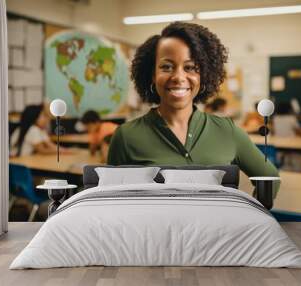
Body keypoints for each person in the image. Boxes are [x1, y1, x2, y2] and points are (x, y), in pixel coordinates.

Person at [107, 22, 279, 195]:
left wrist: (246, 214)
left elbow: (270, 179)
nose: (178, 77)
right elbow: (109, 199)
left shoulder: (228, 131)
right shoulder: (126, 136)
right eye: (166, 67)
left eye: (190, 67)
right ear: (152, 75)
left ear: (203, 75)